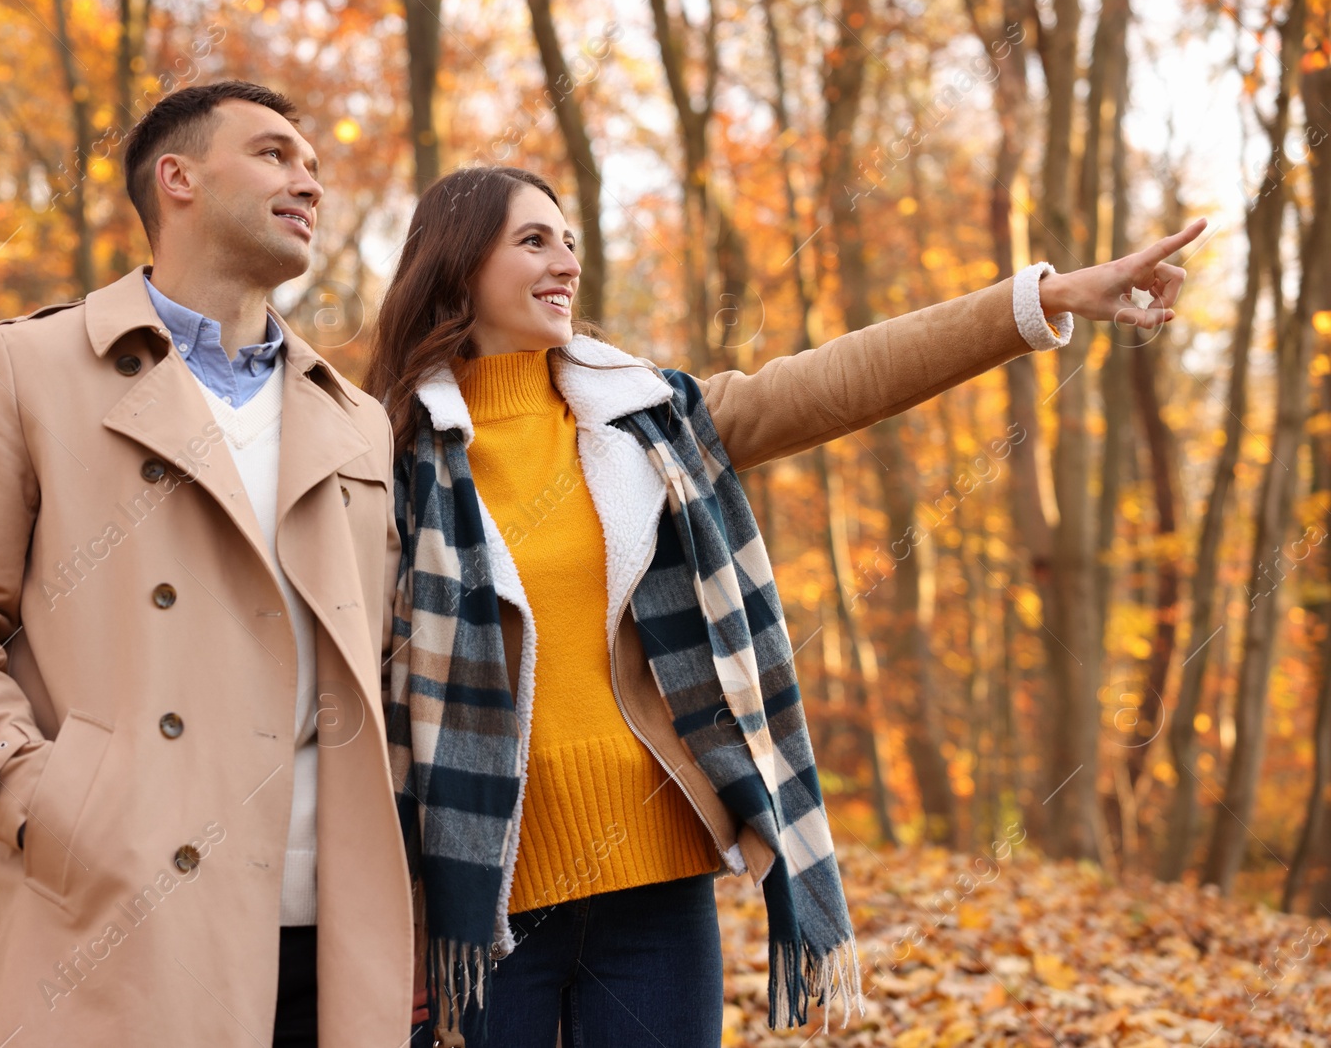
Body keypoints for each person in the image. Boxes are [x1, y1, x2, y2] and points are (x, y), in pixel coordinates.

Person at [370, 165, 1202, 1047]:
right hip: (481, 909)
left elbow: (837, 379)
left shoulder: (647, 416)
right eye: (532, 241)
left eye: (569, 240)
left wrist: (1045, 297)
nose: (564, 261)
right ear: (457, 266)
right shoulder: (387, 450)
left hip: (656, 889)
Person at [0, 80, 412, 1047]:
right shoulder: (27, 367)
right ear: (178, 178)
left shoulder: (356, 418)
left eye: (316, 168)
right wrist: (37, 794)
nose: (309, 182)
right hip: (126, 905)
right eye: (275, 155)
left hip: (333, 922)